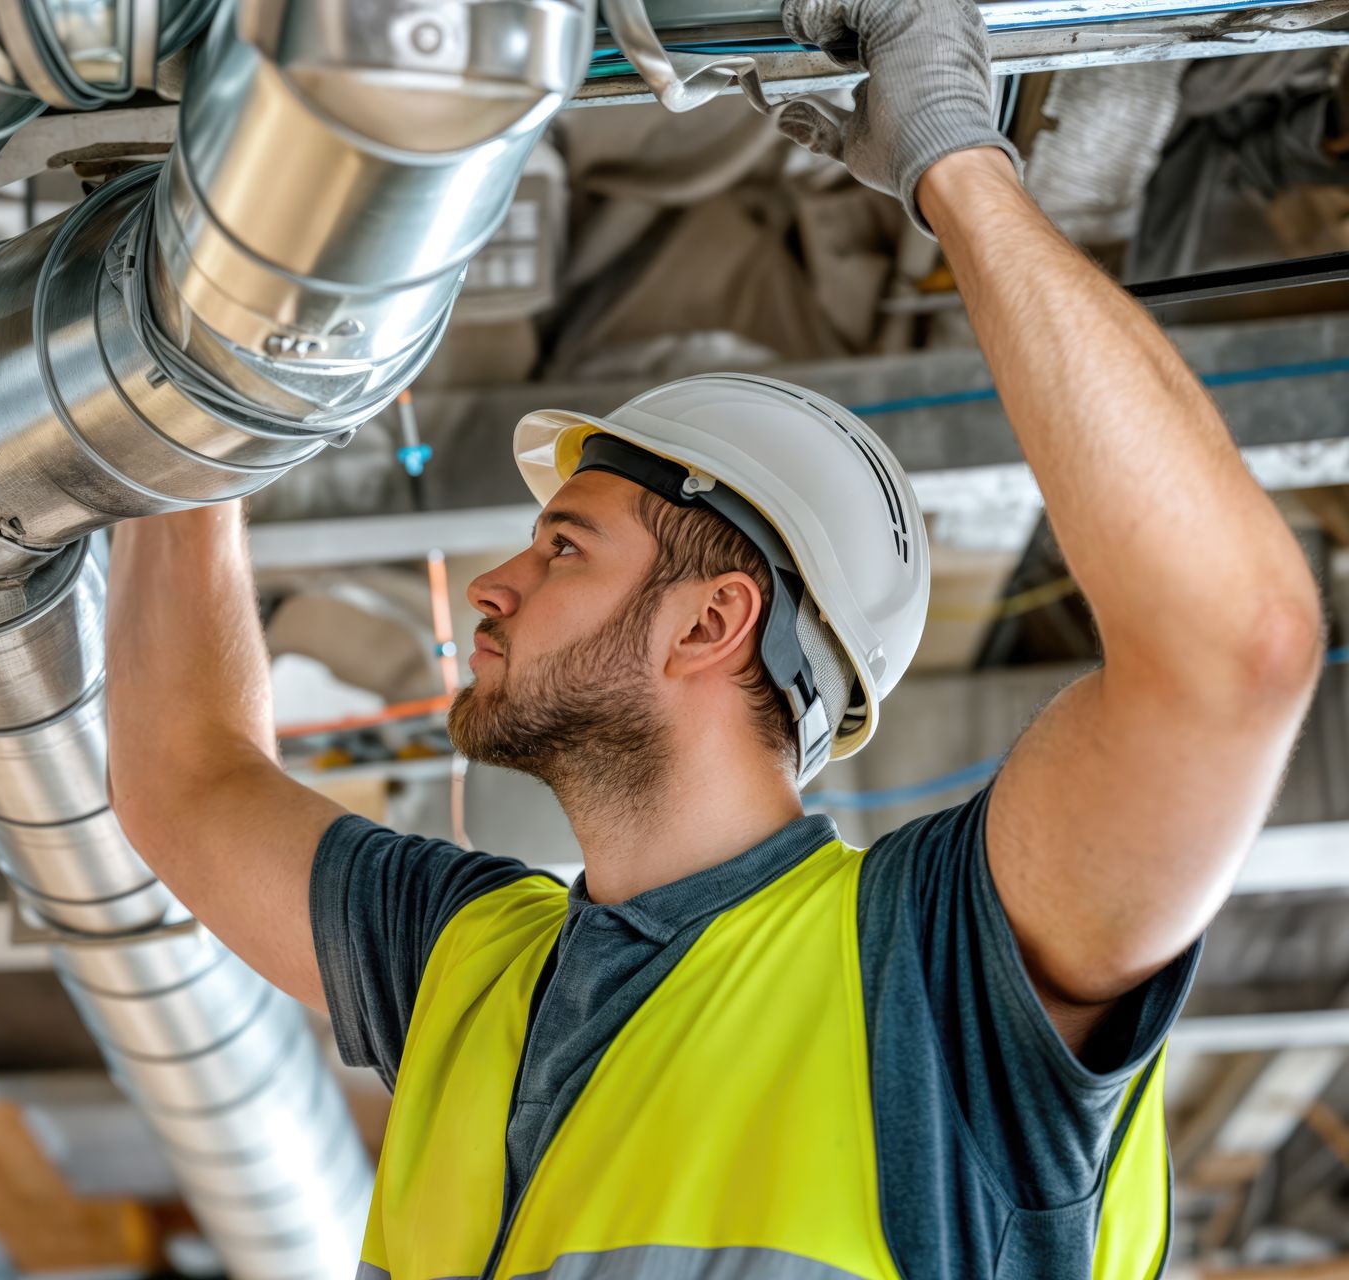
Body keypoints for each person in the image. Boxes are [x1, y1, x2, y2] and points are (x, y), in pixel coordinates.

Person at [104, 0, 1326, 1273]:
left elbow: (1231, 646)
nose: (491, 588)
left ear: (710, 620)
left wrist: (956, 160)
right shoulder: (480, 966)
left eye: (561, 546)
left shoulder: (932, 976)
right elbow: (187, 778)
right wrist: (196, 371)